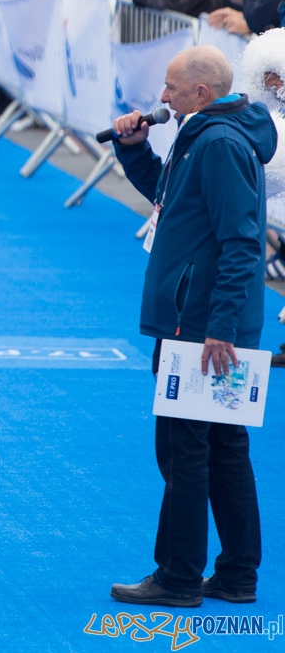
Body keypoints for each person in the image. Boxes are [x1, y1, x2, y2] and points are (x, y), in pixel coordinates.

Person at [107, 46, 270, 608]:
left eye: (172, 87)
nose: (163, 97)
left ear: (201, 93)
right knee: (224, 447)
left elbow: (242, 242)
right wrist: (133, 151)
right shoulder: (213, 134)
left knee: (184, 451)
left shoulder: (218, 143)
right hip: (214, 325)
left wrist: (218, 327)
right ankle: (236, 575)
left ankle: (177, 576)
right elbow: (171, 204)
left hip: (201, 331)